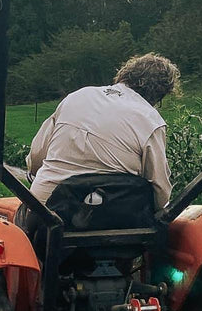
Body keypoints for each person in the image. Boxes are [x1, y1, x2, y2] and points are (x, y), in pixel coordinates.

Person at [26, 53, 180, 213]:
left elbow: (37, 155)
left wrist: (34, 173)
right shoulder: (152, 121)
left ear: (125, 75)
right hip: (112, 220)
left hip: (46, 214)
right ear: (160, 94)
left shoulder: (77, 97)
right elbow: (160, 190)